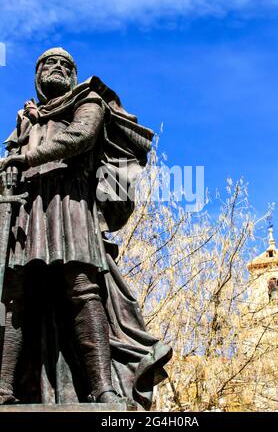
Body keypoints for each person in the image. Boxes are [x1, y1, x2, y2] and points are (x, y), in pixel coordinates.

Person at [0, 48, 172, 408]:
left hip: (71, 204)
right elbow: (10, 163)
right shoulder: (26, 119)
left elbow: (82, 136)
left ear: (75, 75)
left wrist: (26, 157)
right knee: (16, 296)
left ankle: (103, 388)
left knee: (82, 288)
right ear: (37, 73)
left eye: (66, 64)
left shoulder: (87, 98)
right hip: (28, 208)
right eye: (49, 63)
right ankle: (4, 389)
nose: (58, 68)